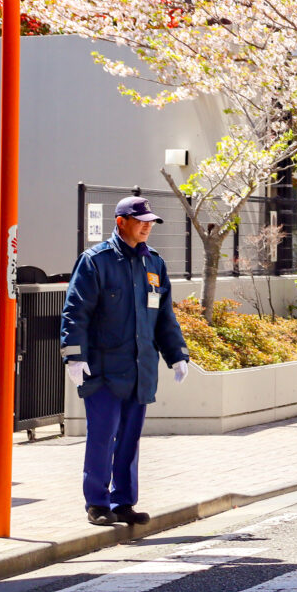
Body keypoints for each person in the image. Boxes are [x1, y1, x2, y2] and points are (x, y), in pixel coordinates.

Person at [60, 196, 192, 527]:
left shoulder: (154, 264)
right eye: (140, 220)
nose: (147, 225)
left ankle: (123, 502)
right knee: (103, 435)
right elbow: (76, 311)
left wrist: (177, 355)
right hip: (104, 368)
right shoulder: (96, 262)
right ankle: (97, 502)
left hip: (140, 369)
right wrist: (74, 357)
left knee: (130, 439)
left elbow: (164, 315)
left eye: (151, 221)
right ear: (121, 223)